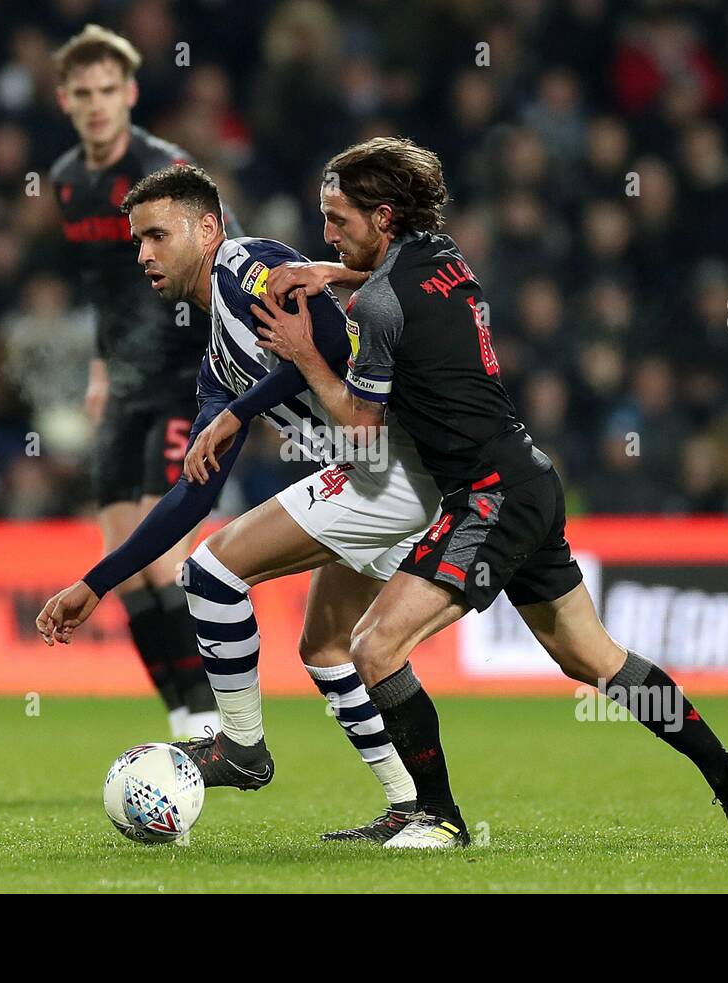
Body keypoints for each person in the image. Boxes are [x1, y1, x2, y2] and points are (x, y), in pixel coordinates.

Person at [247, 137, 728, 848]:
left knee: (374, 646)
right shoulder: (442, 254)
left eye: (338, 221)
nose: (327, 234)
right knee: (594, 659)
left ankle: (436, 816)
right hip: (531, 475)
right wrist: (334, 271)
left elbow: (365, 430)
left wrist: (304, 353)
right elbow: (394, 283)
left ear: (382, 216)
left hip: (489, 494)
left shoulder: (377, 305)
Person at [36, 165, 445, 843]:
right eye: (137, 242)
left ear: (207, 228)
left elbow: (334, 346)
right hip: (383, 474)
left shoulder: (249, 264)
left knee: (210, 573)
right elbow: (191, 495)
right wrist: (96, 582)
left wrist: (239, 414)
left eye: (157, 236)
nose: (143, 254)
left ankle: (242, 748)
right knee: (326, 648)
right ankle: (411, 804)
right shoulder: (219, 363)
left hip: (394, 461)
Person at [49, 25, 237, 739]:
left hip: (185, 374)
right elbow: (103, 288)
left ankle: (216, 717)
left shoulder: (167, 170)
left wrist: (229, 359)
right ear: (66, 99)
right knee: (120, 560)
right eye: (83, 93)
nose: (97, 105)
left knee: (161, 551)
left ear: (128, 93)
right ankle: (185, 716)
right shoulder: (69, 180)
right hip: (125, 379)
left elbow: (229, 247)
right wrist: (102, 363)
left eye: (108, 91)